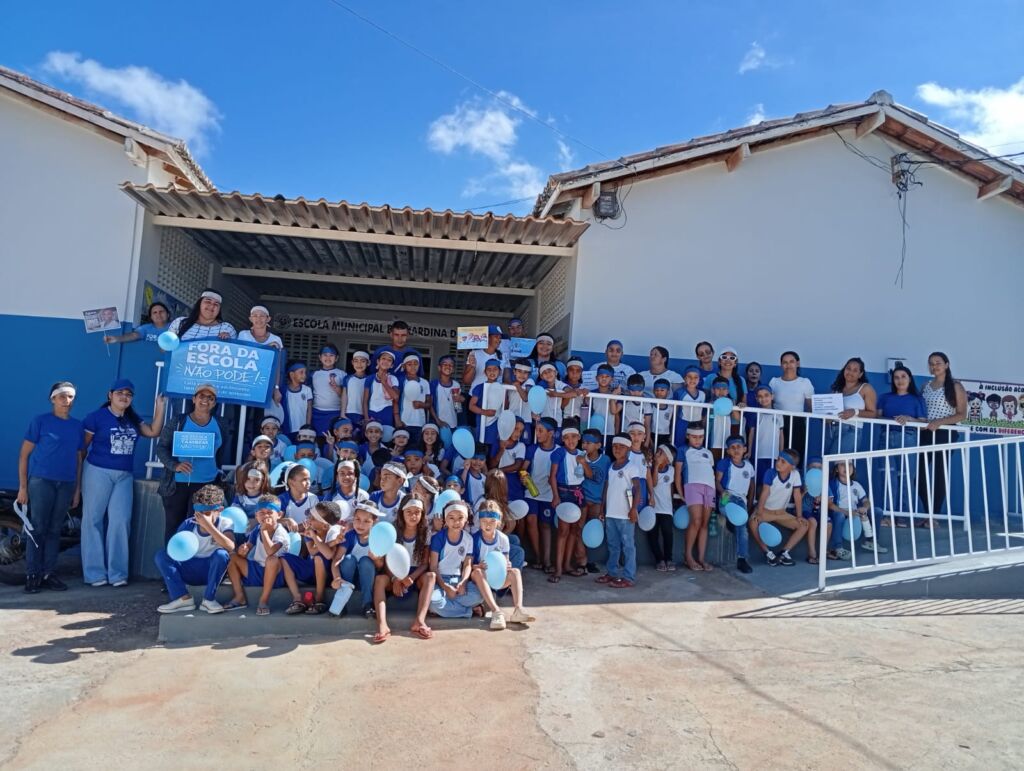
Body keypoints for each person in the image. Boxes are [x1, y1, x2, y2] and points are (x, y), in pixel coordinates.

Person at [80, 379, 166, 587]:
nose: (124, 397)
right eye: (120, 393)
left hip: (124, 476)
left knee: (120, 521)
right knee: (93, 520)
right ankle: (94, 574)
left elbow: (153, 431)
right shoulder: (96, 417)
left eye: (128, 394)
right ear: (110, 395)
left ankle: (117, 573)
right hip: (97, 471)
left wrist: (160, 407)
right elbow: (81, 449)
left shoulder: (132, 419)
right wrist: (76, 481)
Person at [18, 381, 84, 593]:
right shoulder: (41, 421)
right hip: (41, 482)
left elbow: (79, 459)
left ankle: (48, 573)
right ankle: (32, 575)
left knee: (55, 530)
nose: (67, 401)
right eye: (62, 396)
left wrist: (77, 489)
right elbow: (24, 455)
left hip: (66, 484)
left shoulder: (77, 426)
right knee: (37, 528)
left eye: (70, 397)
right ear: (53, 399)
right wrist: (23, 487)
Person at [155, 383, 225, 541]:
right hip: (177, 486)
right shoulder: (178, 421)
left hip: (206, 485)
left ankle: (193, 559)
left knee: (198, 530)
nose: (205, 400)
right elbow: (161, 448)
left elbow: (221, 452)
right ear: (194, 399)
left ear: (214, 403)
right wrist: (175, 465)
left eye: (210, 398)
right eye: (202, 396)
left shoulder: (220, 424)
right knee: (174, 528)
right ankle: (171, 557)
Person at [155, 484, 235, 614]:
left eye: (207, 513)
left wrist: (209, 527)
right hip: (189, 570)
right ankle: (182, 598)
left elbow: (230, 546)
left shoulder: (225, 522)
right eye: (199, 513)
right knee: (161, 556)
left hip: (210, 572)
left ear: (219, 510)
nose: (202, 517)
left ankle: (209, 600)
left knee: (221, 554)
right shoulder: (189, 524)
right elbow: (174, 552)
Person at [428, 500, 506, 629]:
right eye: (451, 518)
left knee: (478, 595)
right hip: (440, 581)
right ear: (445, 519)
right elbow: (433, 567)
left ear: (466, 520)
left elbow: (467, 565)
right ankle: (470, 611)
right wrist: (445, 587)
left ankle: (450, 608)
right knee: (433, 603)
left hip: (458, 580)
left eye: (460, 518)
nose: (456, 522)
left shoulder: (468, 539)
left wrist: (463, 582)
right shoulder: (438, 538)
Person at [371, 496, 436, 642]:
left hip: (415, 574)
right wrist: (395, 579)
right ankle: (382, 626)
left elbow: (424, 564)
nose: (413, 516)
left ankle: (419, 621)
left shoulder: (425, 531)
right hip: (393, 572)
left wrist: (411, 577)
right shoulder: (393, 529)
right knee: (380, 580)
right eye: (409, 512)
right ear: (402, 512)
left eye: (417, 512)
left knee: (431, 576)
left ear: (422, 514)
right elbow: (387, 559)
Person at [875, 364, 927, 526]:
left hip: (908, 438)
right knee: (887, 477)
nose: (900, 380)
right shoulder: (884, 397)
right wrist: (891, 421)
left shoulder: (917, 399)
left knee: (906, 477)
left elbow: (923, 423)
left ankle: (903, 516)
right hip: (886, 438)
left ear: (910, 379)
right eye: (896, 377)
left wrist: (910, 419)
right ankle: (888, 515)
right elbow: (877, 418)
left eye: (903, 376)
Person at [918, 352, 967, 522]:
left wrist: (940, 422)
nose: (934, 366)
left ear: (946, 364)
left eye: (938, 363)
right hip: (925, 433)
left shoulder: (955, 386)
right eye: (931, 363)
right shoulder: (925, 386)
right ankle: (927, 513)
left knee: (939, 474)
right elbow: (920, 410)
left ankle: (934, 516)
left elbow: (961, 414)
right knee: (920, 475)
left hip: (945, 433)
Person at [223, 494, 289, 612]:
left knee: (272, 559)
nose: (265, 516)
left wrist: (264, 530)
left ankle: (263, 600)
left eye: (269, 512)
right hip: (257, 571)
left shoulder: (280, 532)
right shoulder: (257, 529)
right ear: (256, 515)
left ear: (279, 514)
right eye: (261, 513)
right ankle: (239, 596)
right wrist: (242, 550)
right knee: (232, 556)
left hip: (276, 576)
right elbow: (247, 548)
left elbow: (270, 551)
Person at [473, 500, 535, 624]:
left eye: (492, 521)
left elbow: (505, 560)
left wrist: (507, 565)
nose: (488, 525)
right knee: (477, 572)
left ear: (498, 522)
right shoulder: (475, 539)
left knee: (515, 572)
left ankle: (518, 609)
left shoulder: (503, 538)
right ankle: (496, 612)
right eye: (484, 521)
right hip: (481, 579)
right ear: (479, 521)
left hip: (497, 580)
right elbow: (469, 566)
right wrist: (478, 566)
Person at [596, 435, 641, 588]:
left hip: (625, 514)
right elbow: (607, 488)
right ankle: (612, 572)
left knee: (628, 546)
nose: (617, 449)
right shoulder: (611, 467)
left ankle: (629, 577)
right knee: (613, 545)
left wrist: (634, 509)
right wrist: (602, 508)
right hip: (611, 513)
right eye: (615, 446)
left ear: (629, 449)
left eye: (621, 446)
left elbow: (637, 489)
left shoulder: (632, 467)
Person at [748, 449, 808, 567]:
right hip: (766, 511)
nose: (778, 463)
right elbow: (765, 492)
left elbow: (797, 495)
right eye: (778, 459)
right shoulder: (770, 473)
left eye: (783, 462)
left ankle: (784, 552)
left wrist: (799, 516)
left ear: (792, 467)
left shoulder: (795, 475)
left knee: (804, 525)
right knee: (753, 522)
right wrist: (759, 512)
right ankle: (768, 553)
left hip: (781, 513)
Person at [330, 501, 384, 617]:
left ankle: (367, 604)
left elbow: (380, 566)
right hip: (348, 580)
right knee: (349, 559)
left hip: (367, 582)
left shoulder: (377, 538)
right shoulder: (350, 536)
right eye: (357, 519)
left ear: (374, 522)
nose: (360, 524)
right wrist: (337, 578)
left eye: (366, 521)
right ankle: (341, 604)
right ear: (353, 518)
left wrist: (375, 559)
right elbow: (337, 559)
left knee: (366, 561)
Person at [549, 421, 587, 582]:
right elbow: (552, 477)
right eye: (566, 437)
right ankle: (558, 568)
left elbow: (586, 474)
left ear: (578, 437)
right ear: (563, 439)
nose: (570, 440)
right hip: (564, 493)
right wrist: (556, 496)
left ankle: (567, 564)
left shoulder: (582, 454)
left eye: (573, 437)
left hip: (578, 494)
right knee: (563, 531)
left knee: (574, 530)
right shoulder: (559, 453)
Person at [715, 436, 756, 574]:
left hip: (741, 500)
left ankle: (742, 559)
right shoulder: (725, 463)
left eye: (739, 447)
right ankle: (730, 519)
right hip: (727, 496)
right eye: (732, 447)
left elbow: (752, 486)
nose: (736, 449)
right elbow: (717, 481)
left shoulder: (749, 466)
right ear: (728, 451)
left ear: (745, 449)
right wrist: (722, 492)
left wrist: (749, 504)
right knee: (739, 522)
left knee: (742, 526)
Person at [678, 425, 716, 572]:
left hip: (710, 488)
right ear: (688, 436)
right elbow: (678, 473)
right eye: (694, 437)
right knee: (696, 520)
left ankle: (701, 558)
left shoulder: (708, 453)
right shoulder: (683, 450)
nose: (697, 440)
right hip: (692, 486)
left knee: (704, 523)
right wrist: (680, 492)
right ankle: (688, 556)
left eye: (700, 437)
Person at [524, 416, 559, 572]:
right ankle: (538, 557)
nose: (537, 434)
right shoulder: (532, 449)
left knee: (546, 525)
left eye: (540, 431)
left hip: (549, 494)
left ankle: (547, 561)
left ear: (551, 433)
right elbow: (524, 468)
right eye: (536, 430)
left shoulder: (559, 451)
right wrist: (523, 476)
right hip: (531, 492)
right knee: (531, 520)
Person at [768, 351, 814, 461]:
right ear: (781, 365)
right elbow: (769, 405)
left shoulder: (805, 382)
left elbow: (811, 407)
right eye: (785, 362)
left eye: (791, 362)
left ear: (797, 363)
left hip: (797, 424)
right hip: (778, 423)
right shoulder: (774, 382)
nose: (788, 365)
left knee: (795, 455)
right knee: (777, 454)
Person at [826, 357, 877, 455]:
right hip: (831, 430)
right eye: (848, 368)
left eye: (855, 370)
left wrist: (855, 412)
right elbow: (828, 412)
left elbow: (873, 413)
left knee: (840, 462)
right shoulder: (836, 389)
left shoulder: (866, 388)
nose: (850, 372)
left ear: (860, 374)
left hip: (850, 430)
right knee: (828, 462)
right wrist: (826, 417)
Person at [580, 429, 610, 573]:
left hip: (597, 502)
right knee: (579, 530)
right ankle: (582, 561)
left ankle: (589, 561)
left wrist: (603, 505)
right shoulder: (579, 457)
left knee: (592, 532)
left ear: (598, 445)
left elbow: (606, 484)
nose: (584, 445)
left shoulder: (605, 460)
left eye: (588, 443)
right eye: (583, 442)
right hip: (582, 500)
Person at [647, 444, 676, 571]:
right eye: (657, 451)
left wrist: (672, 505)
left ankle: (669, 558)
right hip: (653, 508)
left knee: (667, 533)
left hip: (666, 508)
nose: (657, 454)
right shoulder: (650, 468)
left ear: (668, 459)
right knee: (652, 535)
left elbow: (671, 488)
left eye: (660, 453)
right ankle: (659, 559)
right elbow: (653, 483)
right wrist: (656, 466)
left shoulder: (671, 470)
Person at [167, 288, 236, 341]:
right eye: (208, 301)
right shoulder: (179, 322)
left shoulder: (227, 328)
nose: (212, 306)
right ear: (199, 304)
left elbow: (234, 352)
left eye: (216, 304)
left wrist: (228, 341)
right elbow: (165, 348)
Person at [308, 344, 345, 437]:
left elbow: (346, 397)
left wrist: (336, 388)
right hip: (317, 414)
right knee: (318, 439)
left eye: (331, 355)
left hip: (336, 413)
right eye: (325, 355)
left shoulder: (342, 374)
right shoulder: (313, 375)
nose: (328, 358)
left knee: (334, 439)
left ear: (336, 358)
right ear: (320, 357)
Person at [274, 360, 313, 439]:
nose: (304, 375)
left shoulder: (307, 390)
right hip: (286, 430)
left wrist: (308, 426)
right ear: (292, 374)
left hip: (302, 430)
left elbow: (309, 409)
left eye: (305, 372)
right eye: (301, 372)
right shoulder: (283, 391)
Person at [462, 325, 507, 392]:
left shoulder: (503, 356)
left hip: (495, 395)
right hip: (476, 395)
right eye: (496, 336)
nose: (499, 340)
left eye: (500, 338)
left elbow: (506, 380)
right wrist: (472, 367)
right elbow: (466, 381)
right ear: (487, 338)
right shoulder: (474, 354)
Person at [103, 301, 170, 345]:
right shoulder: (146, 328)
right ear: (151, 317)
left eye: (161, 311)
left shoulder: (174, 327)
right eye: (155, 312)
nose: (158, 314)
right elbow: (134, 335)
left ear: (168, 314)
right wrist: (117, 339)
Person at [364, 350, 400, 428]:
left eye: (389, 360)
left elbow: (396, 397)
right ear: (378, 361)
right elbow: (365, 401)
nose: (386, 361)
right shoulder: (370, 378)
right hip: (371, 411)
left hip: (386, 411)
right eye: (383, 358)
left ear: (392, 365)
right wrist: (366, 418)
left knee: (386, 434)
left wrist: (384, 382)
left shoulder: (393, 378)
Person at [429, 355, 463, 431]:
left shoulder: (456, 385)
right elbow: (430, 405)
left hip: (453, 423)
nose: (448, 366)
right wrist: (438, 421)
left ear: (453, 369)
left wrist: (460, 400)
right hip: (437, 424)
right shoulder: (433, 384)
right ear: (439, 368)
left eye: (451, 365)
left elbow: (457, 407)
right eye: (445, 364)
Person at [341, 351, 371, 433]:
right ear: (352, 362)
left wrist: (366, 417)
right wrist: (342, 413)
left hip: (364, 414)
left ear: (368, 363)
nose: (359, 364)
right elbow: (344, 396)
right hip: (349, 413)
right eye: (356, 361)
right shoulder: (347, 378)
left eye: (363, 361)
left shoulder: (370, 379)